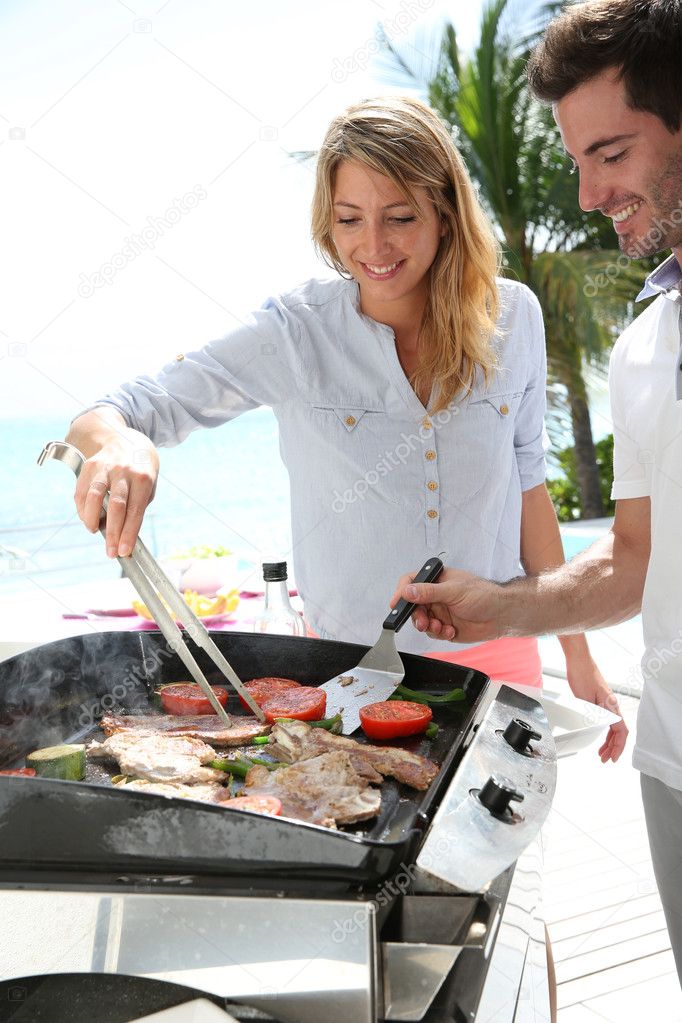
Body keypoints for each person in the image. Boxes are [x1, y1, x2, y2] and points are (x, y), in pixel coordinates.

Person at [66, 94, 619, 736]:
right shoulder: (295, 335)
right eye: (350, 219)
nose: (374, 246)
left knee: (495, 834)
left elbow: (529, 488)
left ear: (445, 213)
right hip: (345, 675)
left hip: (499, 665)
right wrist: (120, 445)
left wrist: (578, 654)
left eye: (400, 216)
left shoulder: (515, 317)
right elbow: (119, 411)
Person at [393, 0, 682, 980]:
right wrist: (494, 604)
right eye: (577, 161)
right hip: (672, 766)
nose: (592, 192)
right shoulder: (644, 344)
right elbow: (631, 563)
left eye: (613, 153)